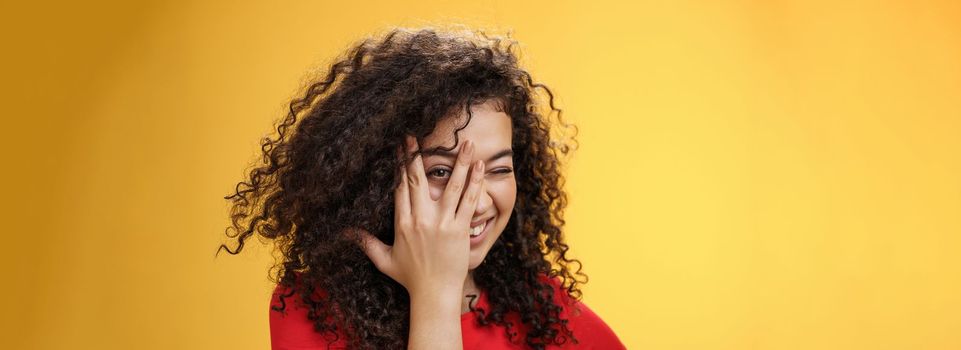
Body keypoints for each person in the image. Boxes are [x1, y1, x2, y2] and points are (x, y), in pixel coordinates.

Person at [220, 27, 625, 349]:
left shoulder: (548, 318)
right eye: (441, 173)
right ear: (378, 177)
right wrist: (435, 296)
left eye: (499, 169)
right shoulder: (311, 312)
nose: (478, 201)